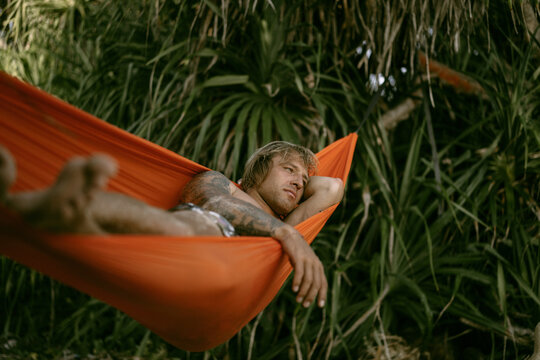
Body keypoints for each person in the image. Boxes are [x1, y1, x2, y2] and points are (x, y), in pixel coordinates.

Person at [0, 141, 344, 309]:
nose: (300, 182)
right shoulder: (221, 183)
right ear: (256, 171)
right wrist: (284, 233)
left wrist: (289, 210)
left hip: (229, 281)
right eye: (289, 169)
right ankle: (28, 207)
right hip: (191, 246)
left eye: (303, 179)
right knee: (199, 225)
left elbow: (332, 187)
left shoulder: (291, 221)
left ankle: (41, 207)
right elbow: (214, 204)